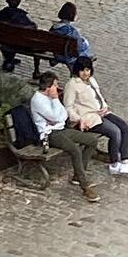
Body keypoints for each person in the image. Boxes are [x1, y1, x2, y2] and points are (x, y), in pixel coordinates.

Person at [62, 57, 128, 175]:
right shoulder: (72, 85)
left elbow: (98, 95)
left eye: (88, 70)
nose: (85, 73)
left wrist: (104, 106)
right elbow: (68, 106)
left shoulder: (92, 81)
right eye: (82, 70)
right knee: (115, 132)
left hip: (101, 112)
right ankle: (114, 163)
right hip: (89, 117)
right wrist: (79, 120)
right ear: (77, 70)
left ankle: (125, 159)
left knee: (123, 126)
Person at [29, 69, 99, 201]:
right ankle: (85, 186)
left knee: (91, 141)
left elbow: (63, 115)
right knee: (75, 150)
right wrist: (55, 100)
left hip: (61, 129)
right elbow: (56, 116)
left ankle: (79, 173)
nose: (57, 87)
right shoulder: (38, 100)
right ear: (48, 87)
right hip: (49, 134)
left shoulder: (51, 97)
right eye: (55, 85)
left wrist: (57, 111)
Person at [0, 0, 34, 72]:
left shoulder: (3, 13)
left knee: (8, 36)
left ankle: (9, 60)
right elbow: (29, 26)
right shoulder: (20, 15)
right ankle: (9, 60)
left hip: (1, 39)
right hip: (15, 42)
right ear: (19, 2)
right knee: (15, 38)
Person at [50, 2, 93, 66]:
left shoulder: (53, 28)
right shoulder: (71, 31)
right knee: (86, 50)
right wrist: (85, 43)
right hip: (68, 56)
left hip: (57, 54)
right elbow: (78, 47)